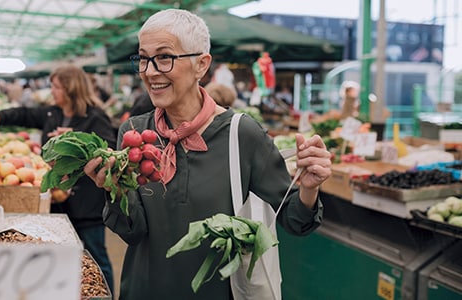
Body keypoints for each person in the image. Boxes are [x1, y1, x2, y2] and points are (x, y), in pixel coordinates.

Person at [84, 9, 331, 300]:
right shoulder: (135, 132)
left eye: (164, 57)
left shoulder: (241, 134)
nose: (150, 71)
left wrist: (310, 188)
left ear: (201, 65)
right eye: (143, 58)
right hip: (144, 289)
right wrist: (114, 189)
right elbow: (132, 231)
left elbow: (294, 219)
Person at [0, 64, 116, 293]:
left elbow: (108, 148)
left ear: (71, 89)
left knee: (96, 255)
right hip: (59, 201)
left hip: (87, 203)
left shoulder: (95, 116)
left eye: (56, 87)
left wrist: (74, 139)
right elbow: (24, 114)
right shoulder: (53, 112)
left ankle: (107, 294)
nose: (52, 91)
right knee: (64, 254)